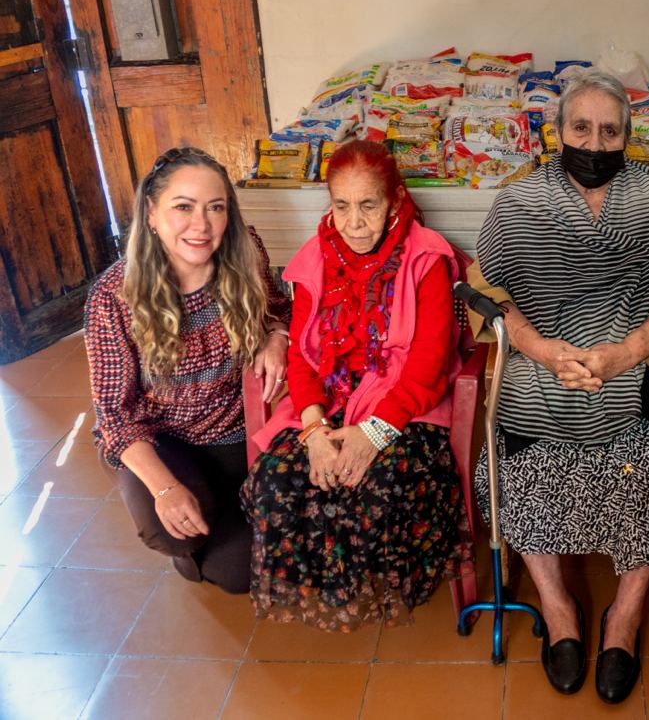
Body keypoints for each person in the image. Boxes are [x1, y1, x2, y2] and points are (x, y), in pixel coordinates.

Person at [467, 68, 649, 703]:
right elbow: (483, 291)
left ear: (627, 137)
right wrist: (543, 351)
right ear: (557, 131)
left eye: (609, 132)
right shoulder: (520, 201)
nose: (595, 145)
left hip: (633, 360)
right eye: (581, 128)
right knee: (513, 459)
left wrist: (625, 352)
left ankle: (623, 616)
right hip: (546, 362)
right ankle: (558, 607)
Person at [241, 140, 470, 631]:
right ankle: (331, 594)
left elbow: (428, 369)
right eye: (341, 205)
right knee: (280, 478)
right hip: (329, 405)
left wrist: (373, 435)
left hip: (405, 410)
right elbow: (302, 357)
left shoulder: (427, 259)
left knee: (379, 486)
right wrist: (314, 431)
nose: (354, 221)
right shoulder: (313, 260)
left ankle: (373, 593)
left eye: (368, 205)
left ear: (395, 200)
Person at [87, 146, 290, 594]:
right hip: (159, 440)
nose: (201, 225)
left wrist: (277, 336)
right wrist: (164, 489)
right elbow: (114, 415)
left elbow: (281, 307)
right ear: (152, 212)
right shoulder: (115, 296)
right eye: (183, 207)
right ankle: (184, 519)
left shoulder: (245, 252)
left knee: (257, 567)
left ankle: (214, 511)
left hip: (237, 433)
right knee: (182, 533)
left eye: (215, 208)